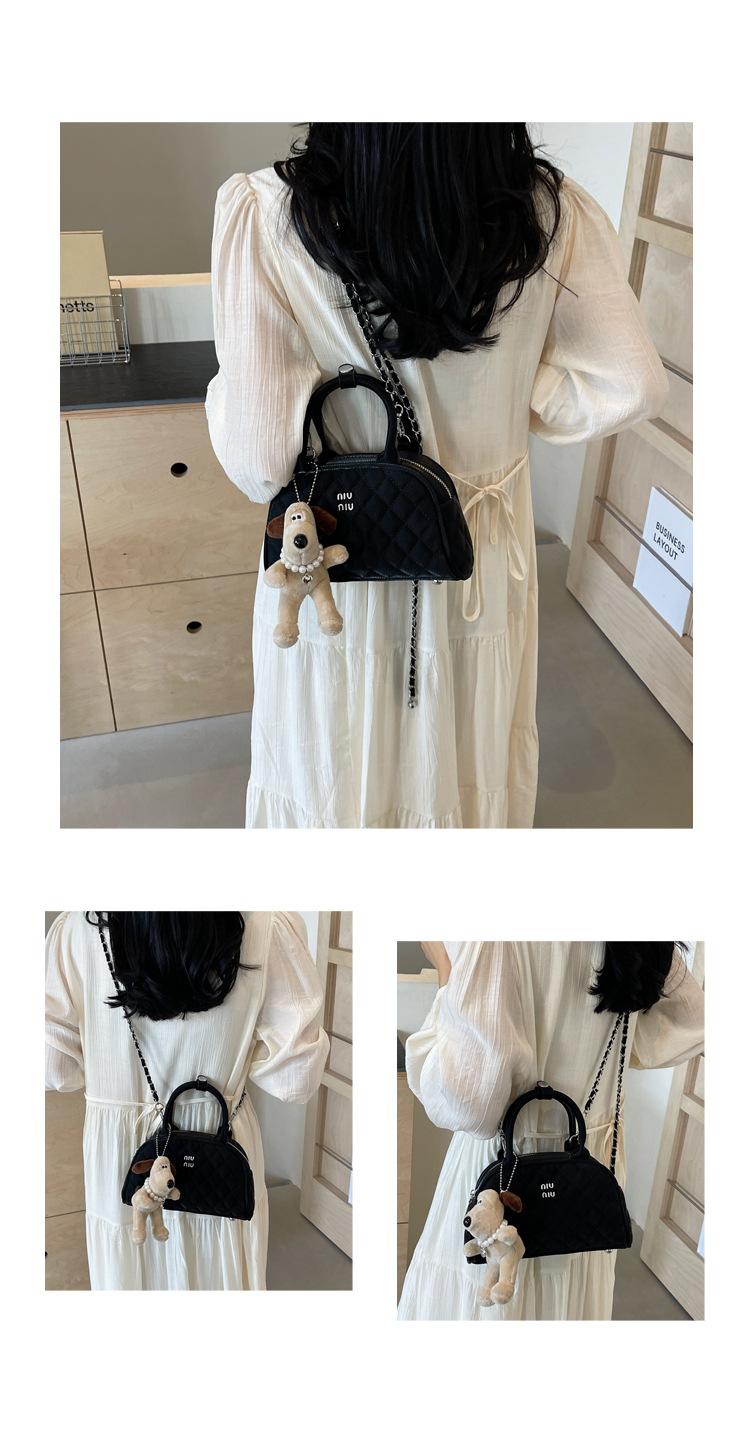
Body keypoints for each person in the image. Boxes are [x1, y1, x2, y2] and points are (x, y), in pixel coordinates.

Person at [206, 123, 668, 829]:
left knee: (337, 774)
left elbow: (258, 459)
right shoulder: (549, 211)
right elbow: (630, 383)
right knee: (469, 764)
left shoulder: (267, 214)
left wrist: (225, 394)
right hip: (483, 554)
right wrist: (514, 394)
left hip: (338, 560)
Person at [398, 941, 704, 1320]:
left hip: (502, 1172)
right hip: (587, 1173)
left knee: (489, 1301)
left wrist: (445, 969)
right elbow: (692, 1024)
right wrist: (598, 1052)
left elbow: (469, 1104)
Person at [45, 911, 328, 1290]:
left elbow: (55, 1069)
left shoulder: (75, 931)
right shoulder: (266, 923)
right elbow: (296, 1080)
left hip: (121, 1160)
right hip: (220, 1149)